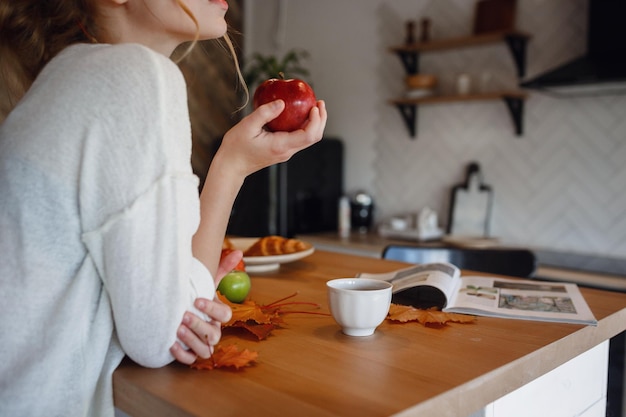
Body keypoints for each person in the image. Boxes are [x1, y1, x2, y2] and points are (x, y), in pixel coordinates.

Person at [0, 0, 327, 416]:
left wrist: (187, 282)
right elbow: (163, 336)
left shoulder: (67, 79)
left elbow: (153, 309)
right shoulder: (135, 76)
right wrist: (230, 169)